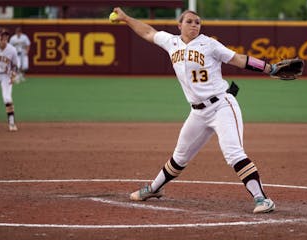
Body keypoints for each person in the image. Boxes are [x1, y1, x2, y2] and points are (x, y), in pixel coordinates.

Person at [113, 7, 276, 213]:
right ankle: (154, 188)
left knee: (233, 153)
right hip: (198, 112)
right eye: (189, 21)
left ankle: (262, 199)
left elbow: (239, 59)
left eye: (197, 22)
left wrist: (270, 68)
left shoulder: (209, 44)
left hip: (222, 106)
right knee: (180, 156)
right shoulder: (170, 42)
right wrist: (126, 18)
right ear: (179, 25)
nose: (194, 25)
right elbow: (147, 32)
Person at [0, 28, 19, 131]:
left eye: (6, 36)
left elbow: (15, 65)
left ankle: (11, 123)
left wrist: (13, 75)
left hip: (6, 75)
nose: (4, 38)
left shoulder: (12, 50)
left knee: (7, 98)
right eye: (2, 36)